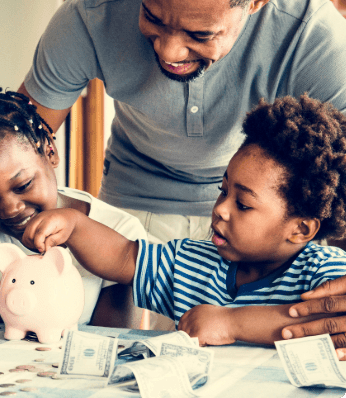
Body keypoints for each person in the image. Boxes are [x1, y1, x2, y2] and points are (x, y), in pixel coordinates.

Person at [0, 0, 346, 336]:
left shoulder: (314, 37)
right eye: (153, 17)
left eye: (199, 33)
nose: (169, 50)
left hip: (267, 218)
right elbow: (1, 149)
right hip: (135, 211)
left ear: (257, 1)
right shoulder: (91, 15)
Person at [21, 94, 346, 353]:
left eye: (243, 204)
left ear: (301, 229)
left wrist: (229, 323)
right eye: (223, 191)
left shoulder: (324, 274)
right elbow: (123, 257)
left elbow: (330, 319)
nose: (221, 210)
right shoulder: (193, 262)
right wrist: (76, 226)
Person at [0, 87, 150, 327]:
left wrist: (25, 307)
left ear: (50, 152)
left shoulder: (121, 230)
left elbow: (110, 336)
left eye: (23, 185)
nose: (11, 209)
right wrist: (13, 307)